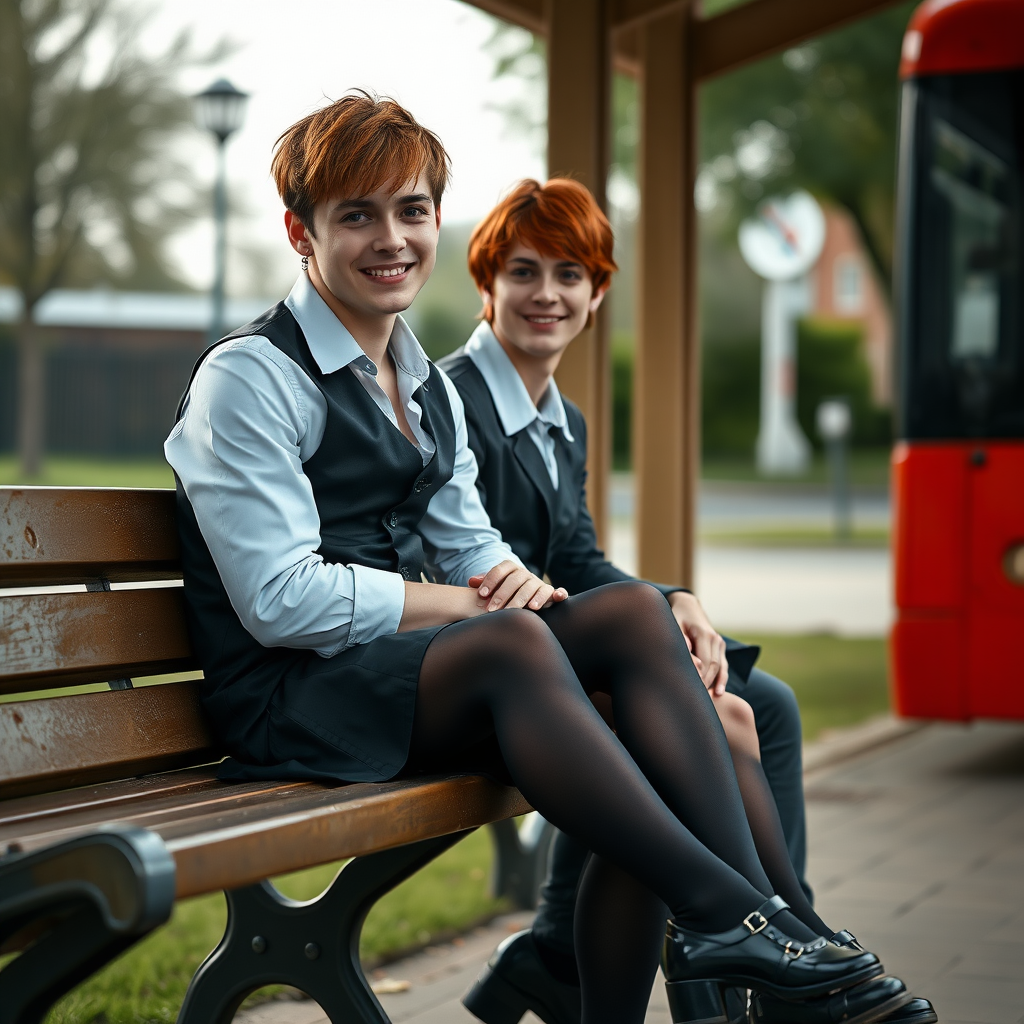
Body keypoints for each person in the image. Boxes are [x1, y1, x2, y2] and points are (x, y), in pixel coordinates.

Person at [164, 94, 910, 1024]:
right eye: (356, 214)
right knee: (512, 643)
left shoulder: (420, 378)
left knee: (632, 621)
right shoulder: (252, 377)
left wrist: (519, 584)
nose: (391, 238)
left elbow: (467, 537)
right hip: (290, 695)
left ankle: (771, 935)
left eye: (411, 210)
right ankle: (747, 922)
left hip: (391, 677)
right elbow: (280, 602)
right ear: (300, 232)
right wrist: (473, 606)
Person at [440, 178, 936, 1024]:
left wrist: (676, 599)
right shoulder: (452, 400)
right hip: (497, 663)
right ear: (486, 284)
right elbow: (462, 559)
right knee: (722, 722)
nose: (547, 295)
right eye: (524, 272)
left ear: (598, 293)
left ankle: (580, 944)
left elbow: (577, 557)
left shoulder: (564, 418)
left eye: (571, 274)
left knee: (764, 702)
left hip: (559, 640)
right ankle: (782, 952)